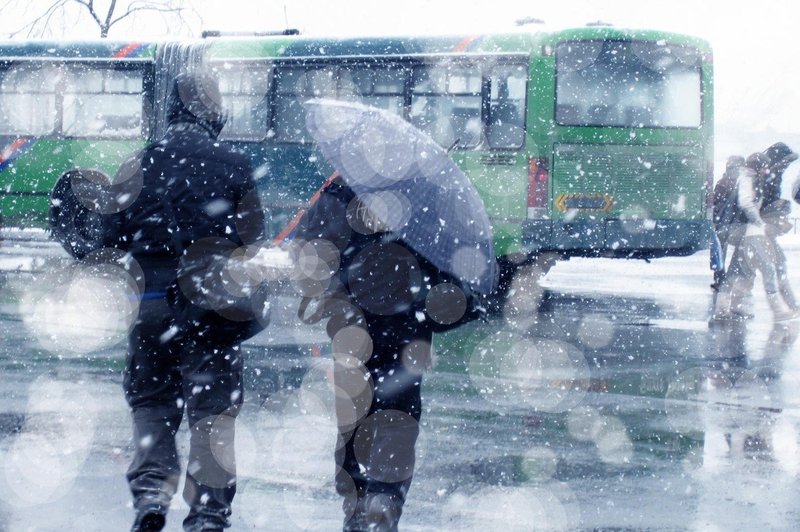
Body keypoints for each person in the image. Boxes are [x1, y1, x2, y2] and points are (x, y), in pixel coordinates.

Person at [101, 71, 266, 531]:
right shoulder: (234, 164)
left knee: (152, 402)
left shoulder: (139, 164)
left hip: (151, 308)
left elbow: (110, 237)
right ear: (216, 113)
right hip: (214, 308)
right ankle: (209, 511)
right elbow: (254, 239)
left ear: (171, 111)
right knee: (213, 413)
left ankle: (152, 493)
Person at [291, 176, 484, 532]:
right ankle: (384, 499)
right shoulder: (428, 197)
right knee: (398, 413)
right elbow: (452, 268)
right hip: (408, 325)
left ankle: (356, 502)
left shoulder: (341, 189)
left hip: (350, 323)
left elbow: (308, 256)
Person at [713, 153, 797, 322]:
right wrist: (760, 223)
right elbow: (746, 204)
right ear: (757, 167)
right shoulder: (747, 179)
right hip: (746, 232)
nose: (766, 170)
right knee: (767, 268)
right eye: (764, 167)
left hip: (744, 231)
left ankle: (724, 308)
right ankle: (779, 310)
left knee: (737, 270)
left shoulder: (750, 178)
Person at [711, 155, 746, 291]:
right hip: (732, 223)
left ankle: (720, 278)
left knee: (720, 252)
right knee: (734, 250)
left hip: (723, 223)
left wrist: (715, 219)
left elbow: (715, 203)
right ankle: (726, 278)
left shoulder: (723, 182)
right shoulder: (736, 183)